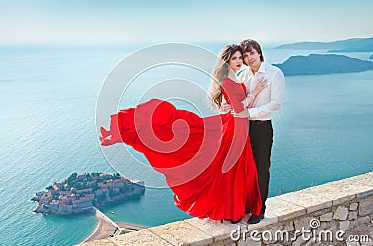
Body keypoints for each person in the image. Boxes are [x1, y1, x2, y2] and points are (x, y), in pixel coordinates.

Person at [99, 44, 267, 223]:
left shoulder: (236, 79)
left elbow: (233, 104)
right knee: (228, 168)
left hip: (237, 125)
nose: (239, 61)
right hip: (234, 127)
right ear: (227, 61)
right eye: (234, 58)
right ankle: (124, 130)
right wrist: (254, 92)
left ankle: (235, 211)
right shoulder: (227, 81)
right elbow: (240, 107)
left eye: (240, 58)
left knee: (235, 171)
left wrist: (231, 103)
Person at [223, 39, 285, 224]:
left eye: (252, 53)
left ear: (259, 53)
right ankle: (245, 207)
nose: (249, 58)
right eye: (245, 55)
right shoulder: (243, 75)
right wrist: (227, 106)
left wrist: (249, 112)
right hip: (243, 129)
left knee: (261, 169)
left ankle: (260, 209)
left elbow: (276, 103)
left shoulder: (275, 73)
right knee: (244, 169)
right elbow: (238, 99)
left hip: (261, 128)